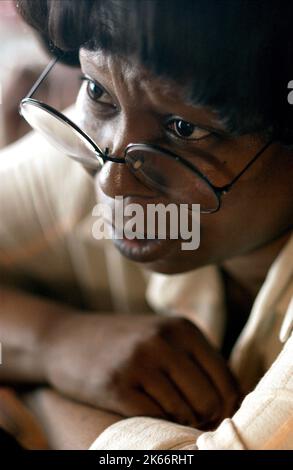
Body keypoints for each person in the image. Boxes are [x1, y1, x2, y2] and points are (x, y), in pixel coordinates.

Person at [0, 0, 292, 449]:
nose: (112, 181)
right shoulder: (100, 150)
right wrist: (53, 341)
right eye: (97, 92)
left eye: (185, 129)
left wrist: (41, 405)